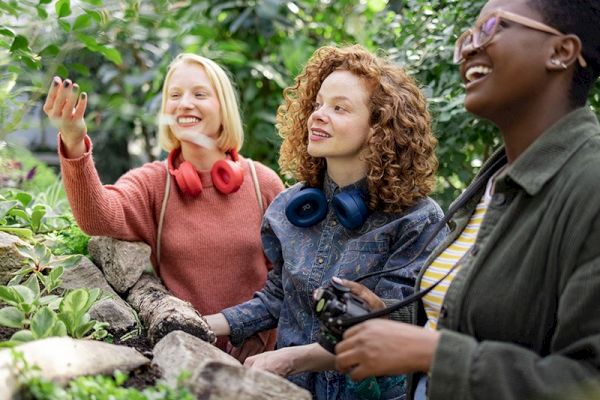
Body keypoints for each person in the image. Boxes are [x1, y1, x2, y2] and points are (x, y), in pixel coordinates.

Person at [334, 0, 600, 399]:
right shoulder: (494, 181)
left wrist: (436, 353)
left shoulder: (589, 184)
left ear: (561, 52)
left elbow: (587, 381)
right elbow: (482, 315)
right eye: (467, 37)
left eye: (493, 27)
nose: (470, 48)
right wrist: (386, 314)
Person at [205, 44, 447, 399]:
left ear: (379, 127)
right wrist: (205, 324)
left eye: (339, 108)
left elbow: (399, 327)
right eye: (318, 104)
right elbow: (277, 298)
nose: (318, 115)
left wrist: (294, 359)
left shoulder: (418, 220)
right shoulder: (288, 208)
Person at [43, 53, 285, 359]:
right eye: (175, 95)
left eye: (199, 94)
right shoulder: (154, 184)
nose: (184, 103)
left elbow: (290, 277)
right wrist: (74, 141)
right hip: (183, 357)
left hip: (259, 360)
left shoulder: (263, 182)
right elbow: (97, 217)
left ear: (223, 108)